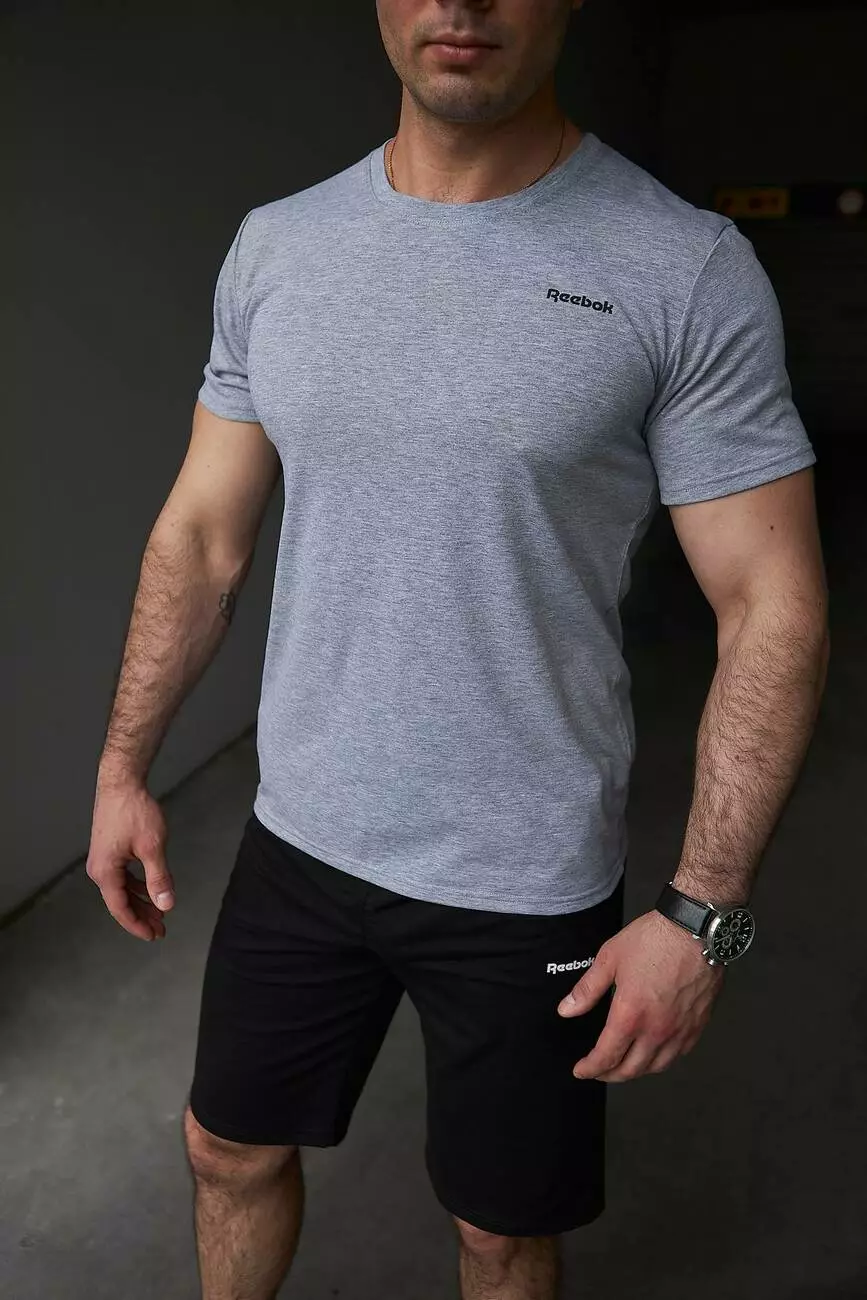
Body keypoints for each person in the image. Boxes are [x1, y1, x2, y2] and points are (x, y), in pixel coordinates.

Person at [85, 2, 830, 1297]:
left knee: (499, 1231)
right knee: (225, 1149)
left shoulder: (683, 267)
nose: (462, 2)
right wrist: (120, 768)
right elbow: (200, 537)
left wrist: (701, 913)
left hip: (524, 875)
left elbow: (772, 602)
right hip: (300, 836)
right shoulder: (280, 246)